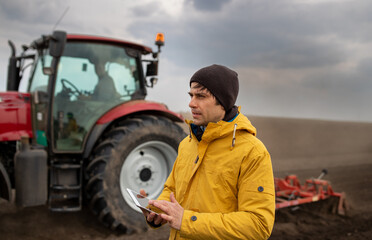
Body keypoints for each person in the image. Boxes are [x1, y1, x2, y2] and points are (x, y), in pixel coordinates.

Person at [142, 64, 275, 239]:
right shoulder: (187, 144)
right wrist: (158, 211)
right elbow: (172, 188)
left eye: (201, 96)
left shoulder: (253, 152)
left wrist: (186, 221)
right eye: (191, 95)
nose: (191, 103)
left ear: (223, 102)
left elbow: (258, 225)